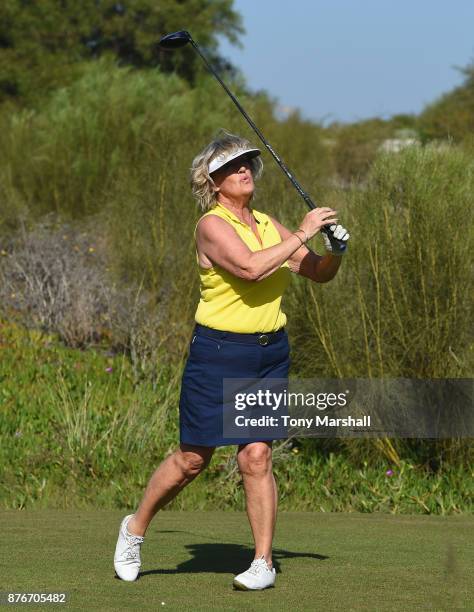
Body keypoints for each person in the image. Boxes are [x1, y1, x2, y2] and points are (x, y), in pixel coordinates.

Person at [114, 131, 349, 590]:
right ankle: (135, 528)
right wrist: (304, 230)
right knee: (192, 460)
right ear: (213, 180)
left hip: (269, 353)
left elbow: (316, 273)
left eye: (248, 164)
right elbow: (249, 267)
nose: (244, 170)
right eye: (232, 166)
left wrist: (335, 251)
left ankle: (263, 562)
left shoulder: (268, 223)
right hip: (219, 353)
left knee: (257, 456)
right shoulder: (212, 225)